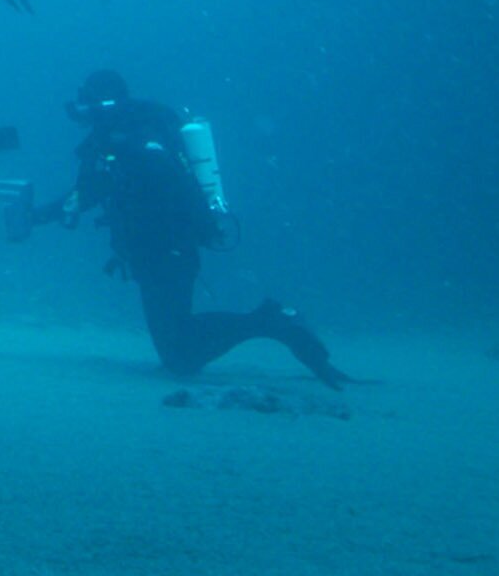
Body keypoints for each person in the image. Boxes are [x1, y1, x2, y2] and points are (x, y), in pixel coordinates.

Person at [52, 70, 352, 389]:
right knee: (177, 348)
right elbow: (89, 191)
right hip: (158, 250)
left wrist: (195, 225)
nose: (81, 108)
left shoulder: (135, 136)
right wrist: (34, 214)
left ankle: (271, 320)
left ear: (102, 102)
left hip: (166, 249)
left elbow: (166, 178)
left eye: (87, 98)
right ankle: (271, 321)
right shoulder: (116, 140)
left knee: (180, 355)